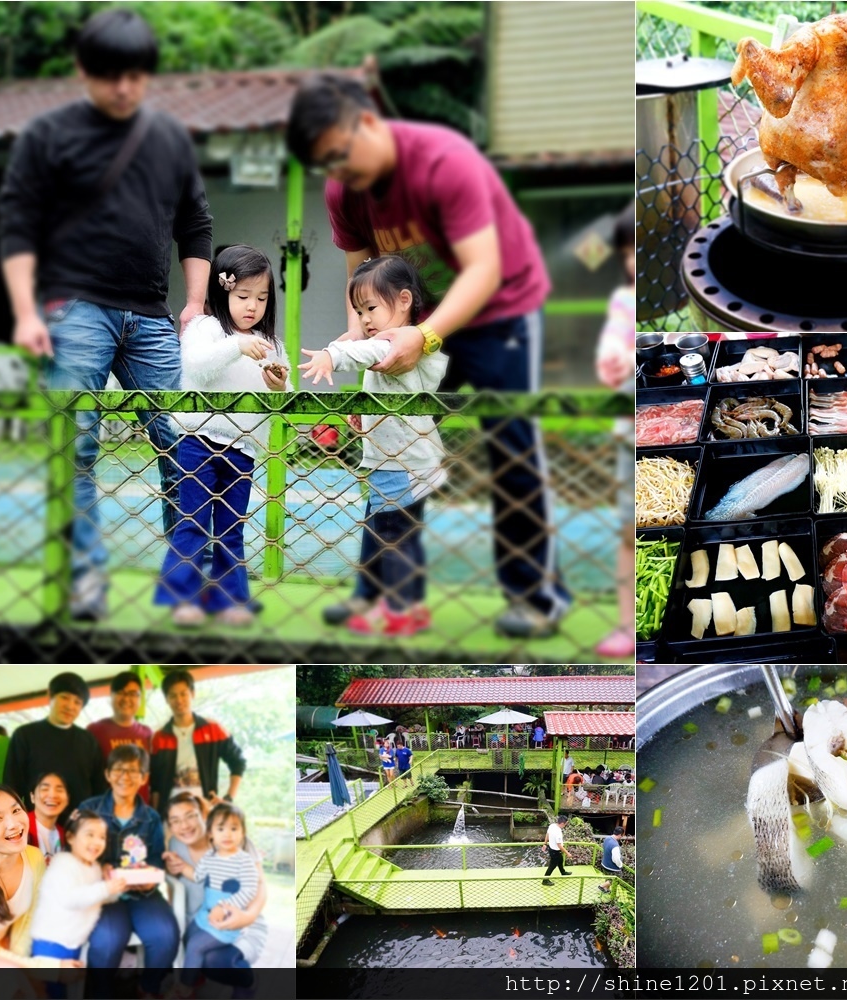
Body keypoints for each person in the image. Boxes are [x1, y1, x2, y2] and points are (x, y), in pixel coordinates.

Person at [286, 73, 571, 639]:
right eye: (329, 165)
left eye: (343, 155)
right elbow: (362, 277)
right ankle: (375, 592)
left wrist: (426, 336)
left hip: (497, 309)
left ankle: (537, 596)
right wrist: (360, 339)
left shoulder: (444, 161)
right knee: (392, 448)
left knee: (509, 439)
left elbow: (484, 270)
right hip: (408, 320)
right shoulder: (344, 189)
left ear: (368, 122)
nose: (340, 173)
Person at [0, 8, 213, 620]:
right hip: (74, 310)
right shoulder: (50, 135)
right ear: (83, 71)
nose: (123, 87)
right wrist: (23, 312)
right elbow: (18, 225)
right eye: (109, 74)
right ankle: (85, 578)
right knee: (75, 447)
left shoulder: (168, 138)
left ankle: (185, 576)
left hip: (152, 315)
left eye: (136, 75)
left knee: (185, 442)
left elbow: (195, 225)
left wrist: (194, 303)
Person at [299, 256, 446, 637]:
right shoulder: (397, 344)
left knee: (394, 537)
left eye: (370, 308)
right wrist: (364, 417)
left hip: (403, 465)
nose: (364, 319)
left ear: (403, 301)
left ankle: (399, 611)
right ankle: (392, 605)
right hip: (399, 461)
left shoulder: (396, 343)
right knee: (388, 534)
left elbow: (365, 352)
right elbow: (387, 392)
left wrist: (333, 353)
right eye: (359, 310)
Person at [154, 245, 292, 628]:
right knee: (194, 523)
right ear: (222, 291)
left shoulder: (270, 343)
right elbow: (196, 368)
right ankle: (183, 597)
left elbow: (284, 393)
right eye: (243, 296)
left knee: (232, 528)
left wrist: (277, 384)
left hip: (242, 450)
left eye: (261, 298)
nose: (252, 306)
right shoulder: (206, 329)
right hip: (198, 441)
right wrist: (236, 346)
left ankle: (230, 599)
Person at [77, 744, 179, 987]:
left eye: (133, 771)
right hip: (105, 895)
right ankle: (100, 992)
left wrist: (149, 879)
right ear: (108, 774)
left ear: (144, 777)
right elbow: (76, 853)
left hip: (143, 894)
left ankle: (149, 989)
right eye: (119, 769)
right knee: (109, 939)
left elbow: (155, 860)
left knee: (165, 936)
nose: (125, 777)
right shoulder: (89, 809)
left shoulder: (151, 817)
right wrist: (97, 869)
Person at [0, 784, 79, 969]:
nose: (13, 824)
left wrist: (27, 966)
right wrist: (50, 968)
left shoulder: (34, 857)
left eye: (16, 810)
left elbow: (27, 920)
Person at [593, 203, 637, 659]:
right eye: (624, 255)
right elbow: (609, 357)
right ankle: (626, 623)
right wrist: (612, 363)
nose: (630, 263)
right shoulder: (622, 302)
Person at [162, 794, 268, 974]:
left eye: (190, 816)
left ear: (204, 814)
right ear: (170, 826)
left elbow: (259, 885)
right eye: (175, 821)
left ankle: (246, 987)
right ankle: (192, 984)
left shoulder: (235, 841)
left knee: (214, 960)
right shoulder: (175, 844)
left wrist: (247, 917)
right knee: (189, 950)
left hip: (240, 920)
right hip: (201, 921)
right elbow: (193, 876)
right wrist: (169, 867)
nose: (185, 826)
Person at [3, 672, 105, 823]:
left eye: (77, 702)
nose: (70, 706)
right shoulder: (25, 735)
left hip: (79, 828)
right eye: (64, 697)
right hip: (37, 828)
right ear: (50, 695)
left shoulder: (89, 741)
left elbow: (99, 788)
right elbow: (11, 785)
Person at [29, 810, 128, 962]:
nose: (97, 841)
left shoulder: (94, 867)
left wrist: (117, 888)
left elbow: (95, 898)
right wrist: (106, 887)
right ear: (70, 837)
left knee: (67, 983)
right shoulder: (63, 864)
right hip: (50, 942)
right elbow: (71, 899)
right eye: (90, 834)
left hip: (74, 943)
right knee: (45, 985)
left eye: (102, 837)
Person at [150, 669, 247, 815]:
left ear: (192, 694)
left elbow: (238, 762)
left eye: (183, 693)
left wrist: (228, 798)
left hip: (204, 810)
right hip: (171, 814)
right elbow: (155, 783)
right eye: (173, 695)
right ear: (166, 699)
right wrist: (155, 815)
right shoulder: (159, 737)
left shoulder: (213, 730)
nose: (179, 700)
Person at [87, 670, 154, 802]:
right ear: (110, 696)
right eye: (121, 693)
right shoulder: (95, 730)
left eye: (133, 694)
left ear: (140, 699)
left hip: (141, 811)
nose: (126, 699)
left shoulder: (147, 733)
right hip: (105, 811)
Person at [26, 770, 69, 864]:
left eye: (59, 790)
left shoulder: (67, 835)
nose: (52, 795)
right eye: (45, 789)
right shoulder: (20, 828)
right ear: (32, 797)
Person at [541, 815, 572, 885]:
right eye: (565, 824)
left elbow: (547, 834)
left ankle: (563, 872)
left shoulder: (552, 826)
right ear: (562, 824)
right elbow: (559, 845)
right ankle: (545, 880)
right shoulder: (558, 832)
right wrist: (568, 853)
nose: (565, 826)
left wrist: (545, 844)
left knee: (560, 860)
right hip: (555, 851)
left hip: (551, 848)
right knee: (552, 866)